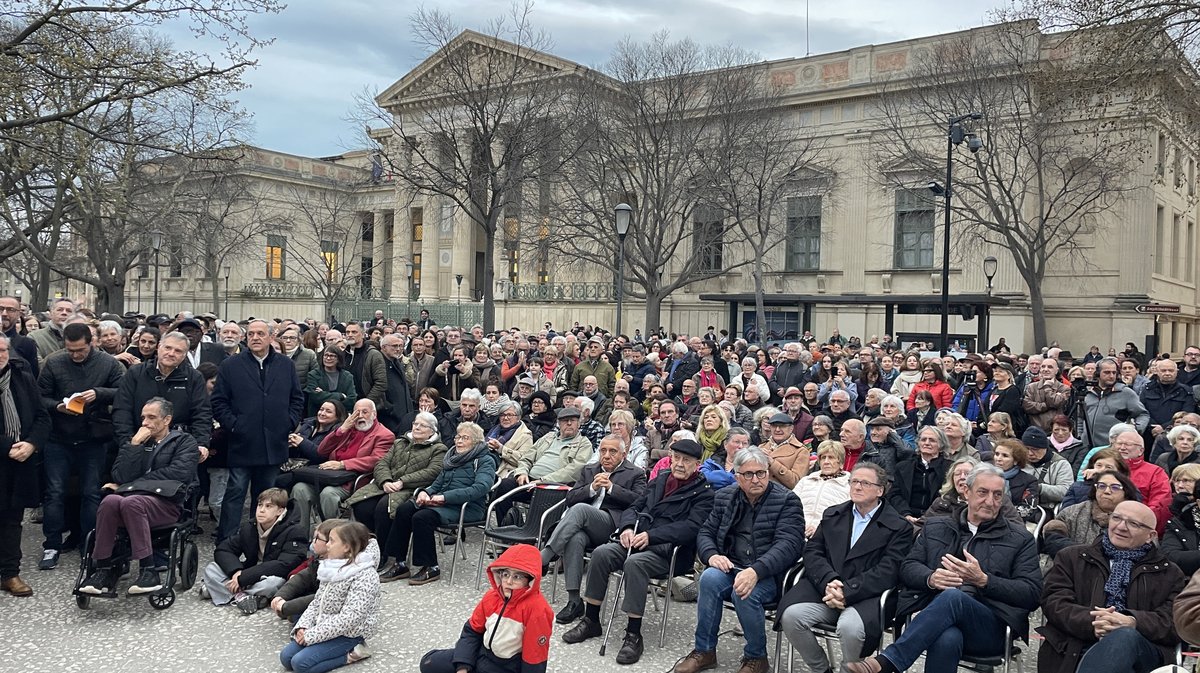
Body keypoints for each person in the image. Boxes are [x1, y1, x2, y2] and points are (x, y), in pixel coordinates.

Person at [846, 464, 1042, 673]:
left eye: (997, 495)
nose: (990, 501)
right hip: (937, 621)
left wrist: (984, 580)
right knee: (946, 637)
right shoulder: (937, 527)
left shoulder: (1020, 538)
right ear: (966, 492)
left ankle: (887, 662)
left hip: (990, 626)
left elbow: (1031, 593)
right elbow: (907, 568)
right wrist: (930, 578)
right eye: (983, 492)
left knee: (953, 598)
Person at [561, 439, 714, 666]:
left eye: (687, 460)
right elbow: (634, 506)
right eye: (677, 458)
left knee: (635, 564)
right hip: (637, 539)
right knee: (602, 553)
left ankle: (634, 634)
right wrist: (626, 528)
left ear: (697, 464)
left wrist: (653, 536)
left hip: (669, 551)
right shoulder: (661, 479)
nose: (680, 464)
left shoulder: (704, 493)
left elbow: (690, 528)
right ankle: (591, 619)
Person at [674, 446, 805, 673]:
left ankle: (757, 657)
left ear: (767, 472)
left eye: (761, 473)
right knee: (709, 578)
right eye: (748, 474)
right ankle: (704, 651)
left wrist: (756, 571)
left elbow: (789, 546)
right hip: (733, 565)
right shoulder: (726, 496)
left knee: (744, 591)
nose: (756, 479)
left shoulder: (787, 501)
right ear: (737, 476)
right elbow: (706, 532)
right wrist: (712, 555)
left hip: (769, 574)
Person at [779, 463, 915, 673]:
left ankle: (848, 670)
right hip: (826, 590)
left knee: (849, 628)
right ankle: (821, 669)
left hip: (868, 595)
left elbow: (889, 570)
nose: (857, 487)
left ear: (880, 490)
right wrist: (828, 581)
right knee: (792, 616)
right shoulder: (833, 514)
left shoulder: (899, 526)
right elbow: (813, 552)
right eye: (854, 482)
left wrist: (847, 591)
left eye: (865, 483)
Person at [1038, 500, 1186, 673]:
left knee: (1124, 637)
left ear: (1150, 536)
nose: (1121, 527)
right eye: (1116, 518)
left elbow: (1176, 622)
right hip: (1074, 645)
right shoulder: (1072, 557)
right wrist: (1095, 622)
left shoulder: (1169, 572)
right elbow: (1054, 602)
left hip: (1142, 652)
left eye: (1133, 524)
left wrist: (1132, 622)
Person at [78, 398, 199, 596]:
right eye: (143, 417)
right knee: (110, 501)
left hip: (166, 504)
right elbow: (120, 475)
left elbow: (178, 474)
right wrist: (134, 445)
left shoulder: (184, 441)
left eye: (151, 417)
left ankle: (148, 570)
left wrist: (129, 486)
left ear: (167, 419)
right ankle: (103, 569)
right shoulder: (137, 440)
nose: (145, 422)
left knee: (130, 501)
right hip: (131, 500)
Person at [36, 321, 126, 570]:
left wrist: (99, 393)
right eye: (71, 350)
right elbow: (39, 396)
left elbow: (124, 391)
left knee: (91, 493)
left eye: (81, 350)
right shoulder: (55, 362)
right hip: (59, 438)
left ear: (92, 343)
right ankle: (51, 544)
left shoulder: (108, 363)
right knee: (54, 493)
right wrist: (57, 406)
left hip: (93, 439)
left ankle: (90, 543)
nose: (75, 355)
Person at [212, 319, 305, 542]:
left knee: (266, 496)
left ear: (271, 337)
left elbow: (297, 398)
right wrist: (234, 425)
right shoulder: (231, 365)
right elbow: (219, 401)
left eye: (260, 334)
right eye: (251, 334)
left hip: (273, 441)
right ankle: (227, 540)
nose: (255, 338)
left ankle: (260, 538)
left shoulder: (285, 364)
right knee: (235, 492)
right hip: (242, 441)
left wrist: (288, 422)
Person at [542, 434, 648, 625]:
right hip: (585, 527)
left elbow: (640, 502)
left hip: (613, 526)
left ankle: (545, 557)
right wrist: (591, 488)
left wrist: (612, 488)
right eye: (603, 450)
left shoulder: (635, 473)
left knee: (582, 509)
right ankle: (574, 601)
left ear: (623, 455)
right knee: (575, 538)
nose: (606, 455)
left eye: (613, 451)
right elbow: (570, 498)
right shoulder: (590, 470)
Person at [378, 422, 497, 586]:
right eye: (457, 437)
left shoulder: (485, 461)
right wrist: (426, 491)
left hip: (467, 507)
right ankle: (399, 563)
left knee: (422, 517)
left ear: (477, 442)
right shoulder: (452, 458)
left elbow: (481, 488)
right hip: (443, 503)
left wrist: (443, 497)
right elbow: (437, 483)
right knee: (405, 509)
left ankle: (430, 566)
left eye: (465, 438)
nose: (459, 441)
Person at [419, 544, 553, 673]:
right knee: (428, 662)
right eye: (505, 574)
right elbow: (472, 631)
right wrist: (462, 666)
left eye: (517, 576)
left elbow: (534, 657)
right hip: (481, 654)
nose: (509, 581)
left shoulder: (538, 610)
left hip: (506, 666)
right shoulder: (492, 596)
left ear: (530, 579)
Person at [346, 410, 446, 562]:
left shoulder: (438, 449)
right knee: (362, 505)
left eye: (422, 426)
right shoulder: (400, 443)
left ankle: (383, 554)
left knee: (384, 508)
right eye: (415, 424)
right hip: (387, 485)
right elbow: (382, 463)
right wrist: (385, 481)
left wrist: (402, 482)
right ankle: (367, 547)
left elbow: (432, 472)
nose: (417, 427)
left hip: (412, 489)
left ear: (432, 430)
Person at [281, 521, 380, 673]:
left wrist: (312, 635)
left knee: (300, 664)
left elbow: (350, 618)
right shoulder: (331, 566)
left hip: (349, 633)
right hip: (324, 626)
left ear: (346, 547)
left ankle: (353, 653)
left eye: (332, 541)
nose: (327, 545)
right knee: (286, 658)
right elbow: (316, 602)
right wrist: (303, 626)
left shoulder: (365, 575)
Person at [291, 399, 394, 530]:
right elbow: (321, 450)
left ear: (374, 415)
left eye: (365, 412)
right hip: (328, 475)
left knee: (328, 494)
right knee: (300, 488)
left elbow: (376, 460)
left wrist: (343, 464)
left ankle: (331, 536)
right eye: (357, 412)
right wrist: (342, 429)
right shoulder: (347, 429)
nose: (360, 416)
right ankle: (300, 535)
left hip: (352, 480)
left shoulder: (384, 435)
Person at [203, 487, 307, 614]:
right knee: (212, 568)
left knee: (274, 584)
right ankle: (244, 597)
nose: (261, 510)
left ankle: (221, 590)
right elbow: (223, 549)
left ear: (280, 510)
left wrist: (244, 577)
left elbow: (285, 564)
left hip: (271, 575)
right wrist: (236, 570)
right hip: (248, 574)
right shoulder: (250, 527)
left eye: (268, 506)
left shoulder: (295, 530)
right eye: (259, 505)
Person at [0, 334, 49, 596]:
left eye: (3, 350)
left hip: (21, 460)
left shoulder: (21, 376)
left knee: (12, 520)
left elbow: (42, 416)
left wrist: (32, 444)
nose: (0, 355)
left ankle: (9, 573)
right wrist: (8, 445)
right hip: (7, 453)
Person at [490, 407, 592, 526]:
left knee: (543, 497)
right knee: (503, 486)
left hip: (554, 485)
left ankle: (530, 534)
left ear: (578, 424)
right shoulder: (548, 437)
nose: (569, 423)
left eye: (572, 420)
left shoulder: (584, 444)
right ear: (558, 423)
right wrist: (522, 472)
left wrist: (543, 480)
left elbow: (574, 470)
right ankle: (507, 528)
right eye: (565, 420)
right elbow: (526, 457)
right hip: (529, 480)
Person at [1041, 470, 1140, 559]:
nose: (1107, 491)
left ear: (1126, 492)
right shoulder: (1071, 512)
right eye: (1102, 486)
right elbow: (1054, 540)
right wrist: (1086, 555)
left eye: (1115, 487)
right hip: (1072, 566)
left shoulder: (1137, 517)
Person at [270, 518, 342, 621]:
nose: (313, 542)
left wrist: (286, 607)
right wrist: (280, 596)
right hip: (315, 598)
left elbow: (321, 597)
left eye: (317, 538)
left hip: (330, 610)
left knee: (299, 616)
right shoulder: (319, 560)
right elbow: (302, 578)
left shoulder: (340, 570)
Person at [888, 426, 951, 524]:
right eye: (923, 439)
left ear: (941, 445)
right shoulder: (903, 467)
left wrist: (927, 517)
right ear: (918, 443)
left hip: (937, 519)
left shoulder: (950, 468)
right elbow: (895, 495)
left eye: (932, 440)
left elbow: (949, 497)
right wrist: (906, 514)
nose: (927, 443)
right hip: (904, 518)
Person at [1082, 358, 1150, 448]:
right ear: (1098, 374)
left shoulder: (1126, 393)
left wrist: (1135, 430)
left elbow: (1143, 415)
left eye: (1114, 373)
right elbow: (1080, 417)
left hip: (1113, 448)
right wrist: (1081, 435)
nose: (1111, 376)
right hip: (1087, 447)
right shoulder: (1088, 394)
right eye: (1107, 372)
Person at [794, 440, 851, 538]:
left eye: (831, 457)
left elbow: (846, 517)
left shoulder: (848, 485)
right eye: (823, 458)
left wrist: (820, 529)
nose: (826, 462)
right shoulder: (806, 481)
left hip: (827, 535)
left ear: (840, 461)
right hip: (797, 530)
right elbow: (791, 506)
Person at [1022, 425, 1074, 507]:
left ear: (1045, 448)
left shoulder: (1061, 464)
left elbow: (1066, 491)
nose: (1030, 453)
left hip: (1047, 508)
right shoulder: (1018, 460)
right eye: (1026, 449)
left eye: (1035, 449)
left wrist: (1040, 488)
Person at [758, 411, 809, 488]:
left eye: (782, 426)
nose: (777, 429)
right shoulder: (762, 447)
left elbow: (796, 482)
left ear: (791, 428)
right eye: (774, 426)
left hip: (784, 496)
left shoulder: (801, 451)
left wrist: (772, 462)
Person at [305, 348, 357, 416]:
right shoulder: (313, 375)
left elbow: (352, 400)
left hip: (340, 417)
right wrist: (340, 396)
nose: (328, 358)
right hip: (318, 417)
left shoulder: (347, 376)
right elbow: (315, 397)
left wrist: (323, 394)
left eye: (332, 356)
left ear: (338, 358)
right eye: (326, 355)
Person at [1023, 357, 1070, 431]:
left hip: (1056, 431)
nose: (1046, 369)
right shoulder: (1031, 387)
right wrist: (1047, 405)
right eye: (1043, 366)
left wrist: (1047, 387)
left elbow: (1056, 402)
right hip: (1035, 429)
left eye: (1050, 367)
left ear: (1056, 370)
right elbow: (1027, 406)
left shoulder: (1064, 388)